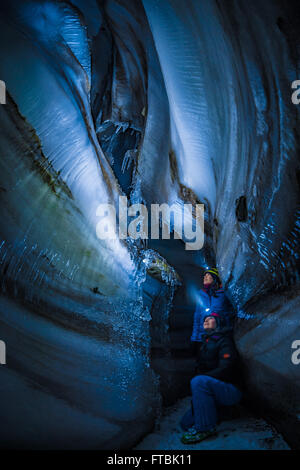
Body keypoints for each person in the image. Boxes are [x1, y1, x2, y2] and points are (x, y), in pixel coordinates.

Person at [180, 312, 243, 444]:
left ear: (218, 323)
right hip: (213, 389)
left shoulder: (224, 340)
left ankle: (205, 428)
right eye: (205, 320)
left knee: (199, 381)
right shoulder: (205, 343)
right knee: (185, 423)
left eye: (210, 319)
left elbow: (227, 367)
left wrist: (203, 378)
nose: (206, 321)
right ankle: (220, 413)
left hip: (230, 389)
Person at [191, 268, 235, 344]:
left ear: (215, 278)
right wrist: (195, 338)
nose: (205, 277)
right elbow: (197, 318)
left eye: (208, 275)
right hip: (203, 337)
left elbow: (232, 311)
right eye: (204, 276)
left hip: (221, 334)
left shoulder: (223, 293)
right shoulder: (201, 295)